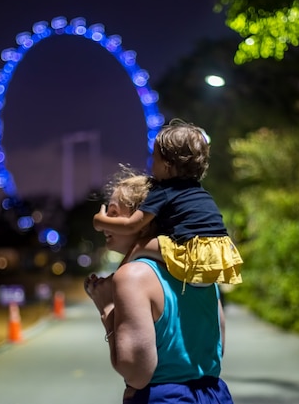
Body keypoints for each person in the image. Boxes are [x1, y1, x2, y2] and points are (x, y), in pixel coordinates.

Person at [85, 167, 234, 404]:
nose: (105, 224)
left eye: (114, 213)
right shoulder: (200, 271)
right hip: (214, 394)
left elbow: (137, 373)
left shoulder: (132, 276)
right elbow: (217, 351)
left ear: (142, 223)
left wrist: (107, 310)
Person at [93, 118, 243, 292]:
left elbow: (131, 225)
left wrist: (99, 221)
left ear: (167, 165)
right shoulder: (199, 191)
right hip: (218, 259)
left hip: (193, 259)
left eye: (154, 158)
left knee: (140, 245)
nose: (151, 165)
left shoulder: (164, 191)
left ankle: (115, 282)